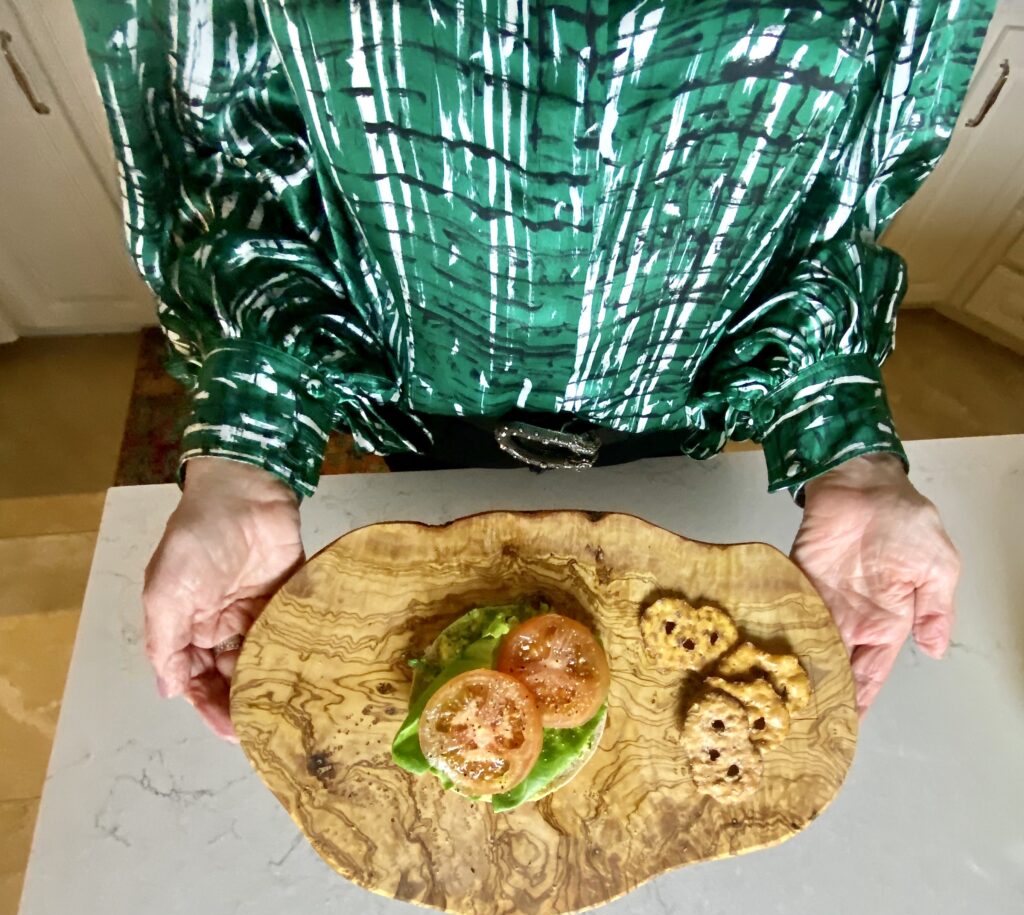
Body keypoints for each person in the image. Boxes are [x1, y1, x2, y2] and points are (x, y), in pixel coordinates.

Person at [75, 0, 990, 740]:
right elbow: (223, 130)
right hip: (421, 397)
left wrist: (850, 452)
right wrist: (245, 454)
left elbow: (848, 173)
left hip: (693, 400)